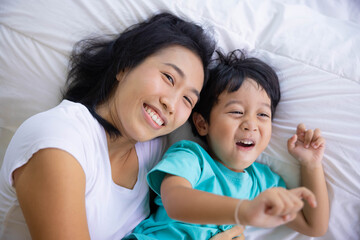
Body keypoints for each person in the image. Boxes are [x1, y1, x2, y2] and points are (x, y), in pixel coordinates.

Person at [0, 12, 216, 240]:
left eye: (187, 100)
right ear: (125, 66)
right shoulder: (58, 139)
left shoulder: (154, 151)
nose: (171, 104)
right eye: (169, 78)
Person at [127, 50, 329, 239]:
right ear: (202, 123)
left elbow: (314, 227)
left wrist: (311, 165)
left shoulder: (263, 183)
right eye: (236, 112)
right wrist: (244, 211)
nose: (251, 124)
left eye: (262, 115)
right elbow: (175, 201)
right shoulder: (191, 157)